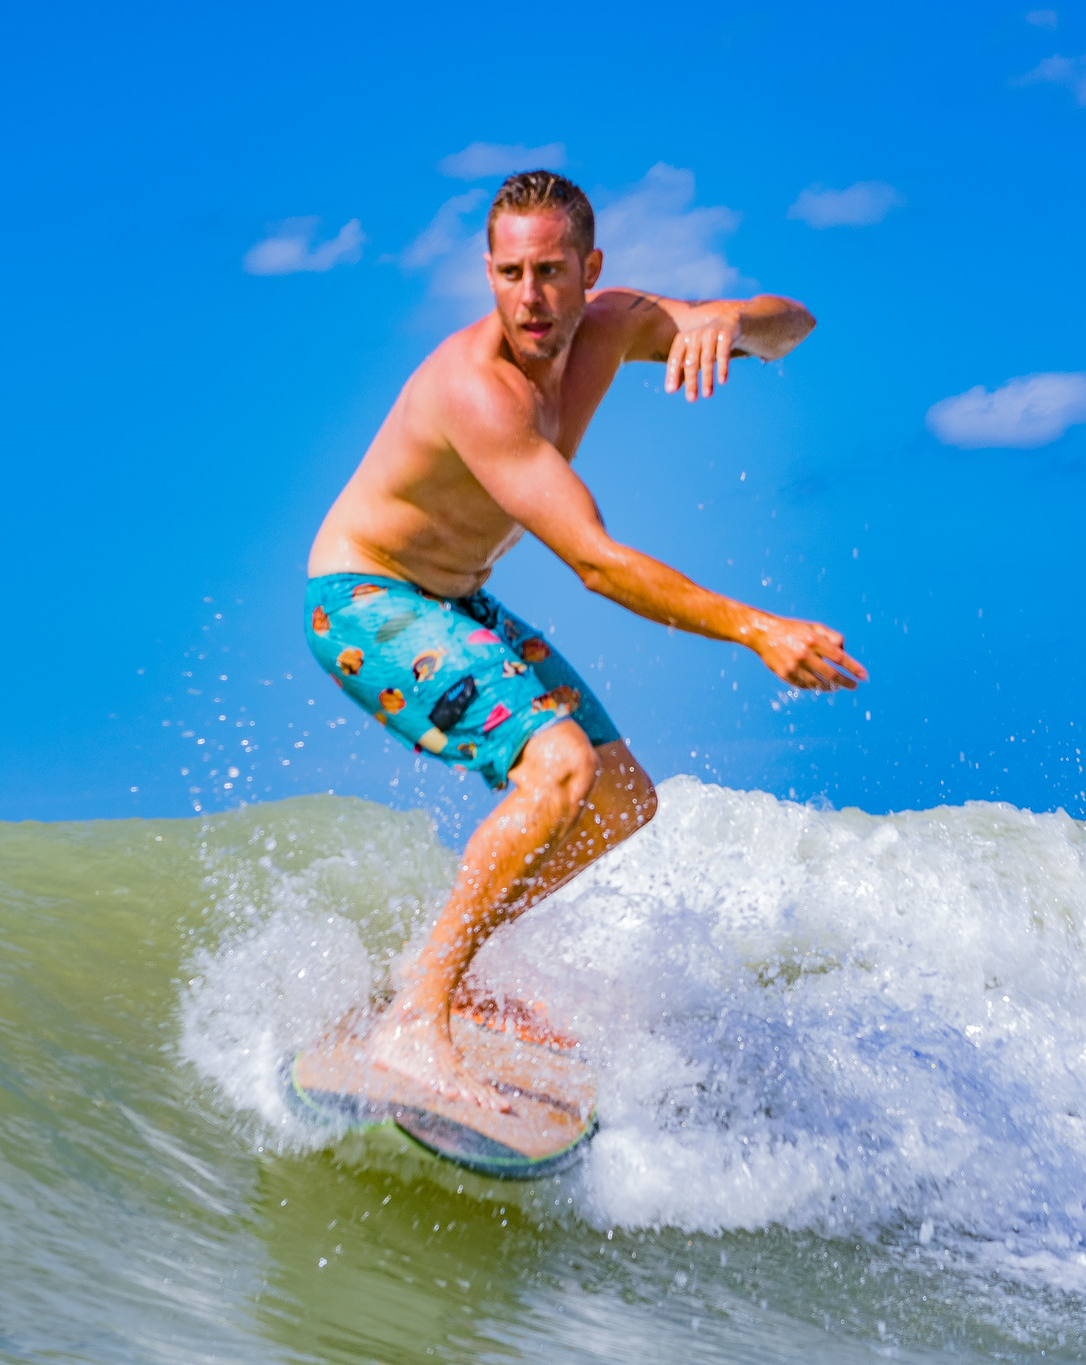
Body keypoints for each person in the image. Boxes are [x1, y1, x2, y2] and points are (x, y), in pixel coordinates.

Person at [305, 170, 866, 1112]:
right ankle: (417, 1019)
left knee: (618, 797)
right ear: (487, 272)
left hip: (456, 597)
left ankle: (433, 969)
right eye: (511, 273)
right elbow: (598, 564)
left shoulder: (612, 325)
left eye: (553, 272)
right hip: (365, 600)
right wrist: (756, 627)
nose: (531, 298)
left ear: (589, 269)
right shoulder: (480, 394)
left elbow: (794, 328)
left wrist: (726, 318)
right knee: (560, 767)